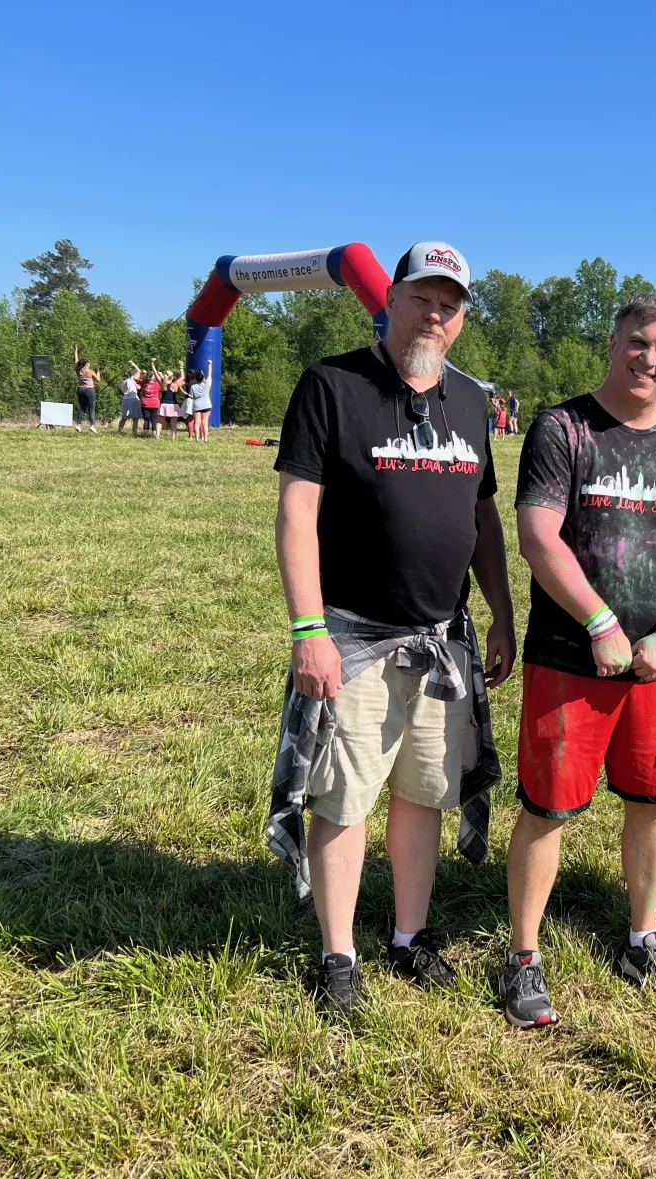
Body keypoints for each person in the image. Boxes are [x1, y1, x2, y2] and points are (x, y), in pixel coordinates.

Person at [267, 241, 516, 1014]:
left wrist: (503, 613)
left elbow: (483, 519)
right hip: (353, 636)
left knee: (423, 794)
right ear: (393, 299)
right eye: (421, 298)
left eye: (449, 305)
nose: (433, 315)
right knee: (343, 797)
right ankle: (338, 955)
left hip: (441, 637)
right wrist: (309, 629)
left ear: (462, 318)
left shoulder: (471, 402)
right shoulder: (333, 385)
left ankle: (409, 936)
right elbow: (296, 511)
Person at [505, 294, 656, 1030]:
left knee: (653, 803)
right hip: (571, 657)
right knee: (547, 810)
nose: (649, 359)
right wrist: (598, 618)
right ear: (612, 342)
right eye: (638, 343)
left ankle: (642, 939)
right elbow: (537, 534)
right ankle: (524, 958)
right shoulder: (564, 427)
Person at [73, 346, 100, 432]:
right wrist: (98, 372)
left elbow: (76, 361)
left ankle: (78, 425)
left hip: (80, 389)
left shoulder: (78, 370)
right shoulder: (90, 371)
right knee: (91, 408)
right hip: (89, 390)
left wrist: (75, 351)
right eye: (88, 363)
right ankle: (92, 425)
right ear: (86, 364)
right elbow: (98, 380)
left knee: (82, 408)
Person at [186, 360, 213, 442]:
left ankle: (197, 438)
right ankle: (205, 439)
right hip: (206, 405)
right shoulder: (207, 384)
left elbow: (191, 396)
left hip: (197, 406)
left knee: (197, 423)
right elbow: (210, 374)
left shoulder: (193, 387)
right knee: (205, 423)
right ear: (203, 378)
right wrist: (210, 365)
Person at [158, 365, 183, 439]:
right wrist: (181, 367)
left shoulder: (163, 385)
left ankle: (157, 436)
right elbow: (182, 377)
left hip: (164, 404)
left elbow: (157, 375)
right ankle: (173, 438)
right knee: (174, 423)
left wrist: (152, 365)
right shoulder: (175, 384)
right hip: (173, 405)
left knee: (159, 421)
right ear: (172, 377)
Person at [138, 361, 162, 435]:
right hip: (155, 403)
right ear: (154, 377)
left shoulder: (143, 382)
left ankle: (146, 433)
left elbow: (135, 377)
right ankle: (154, 433)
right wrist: (158, 373)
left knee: (146, 419)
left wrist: (142, 373)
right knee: (154, 418)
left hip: (145, 403)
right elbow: (161, 380)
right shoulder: (157, 383)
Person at [117, 366, 142, 435]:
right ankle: (134, 433)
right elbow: (138, 371)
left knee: (124, 417)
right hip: (134, 399)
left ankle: (119, 431)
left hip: (126, 400)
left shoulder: (122, 383)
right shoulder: (130, 380)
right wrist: (133, 364)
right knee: (135, 418)